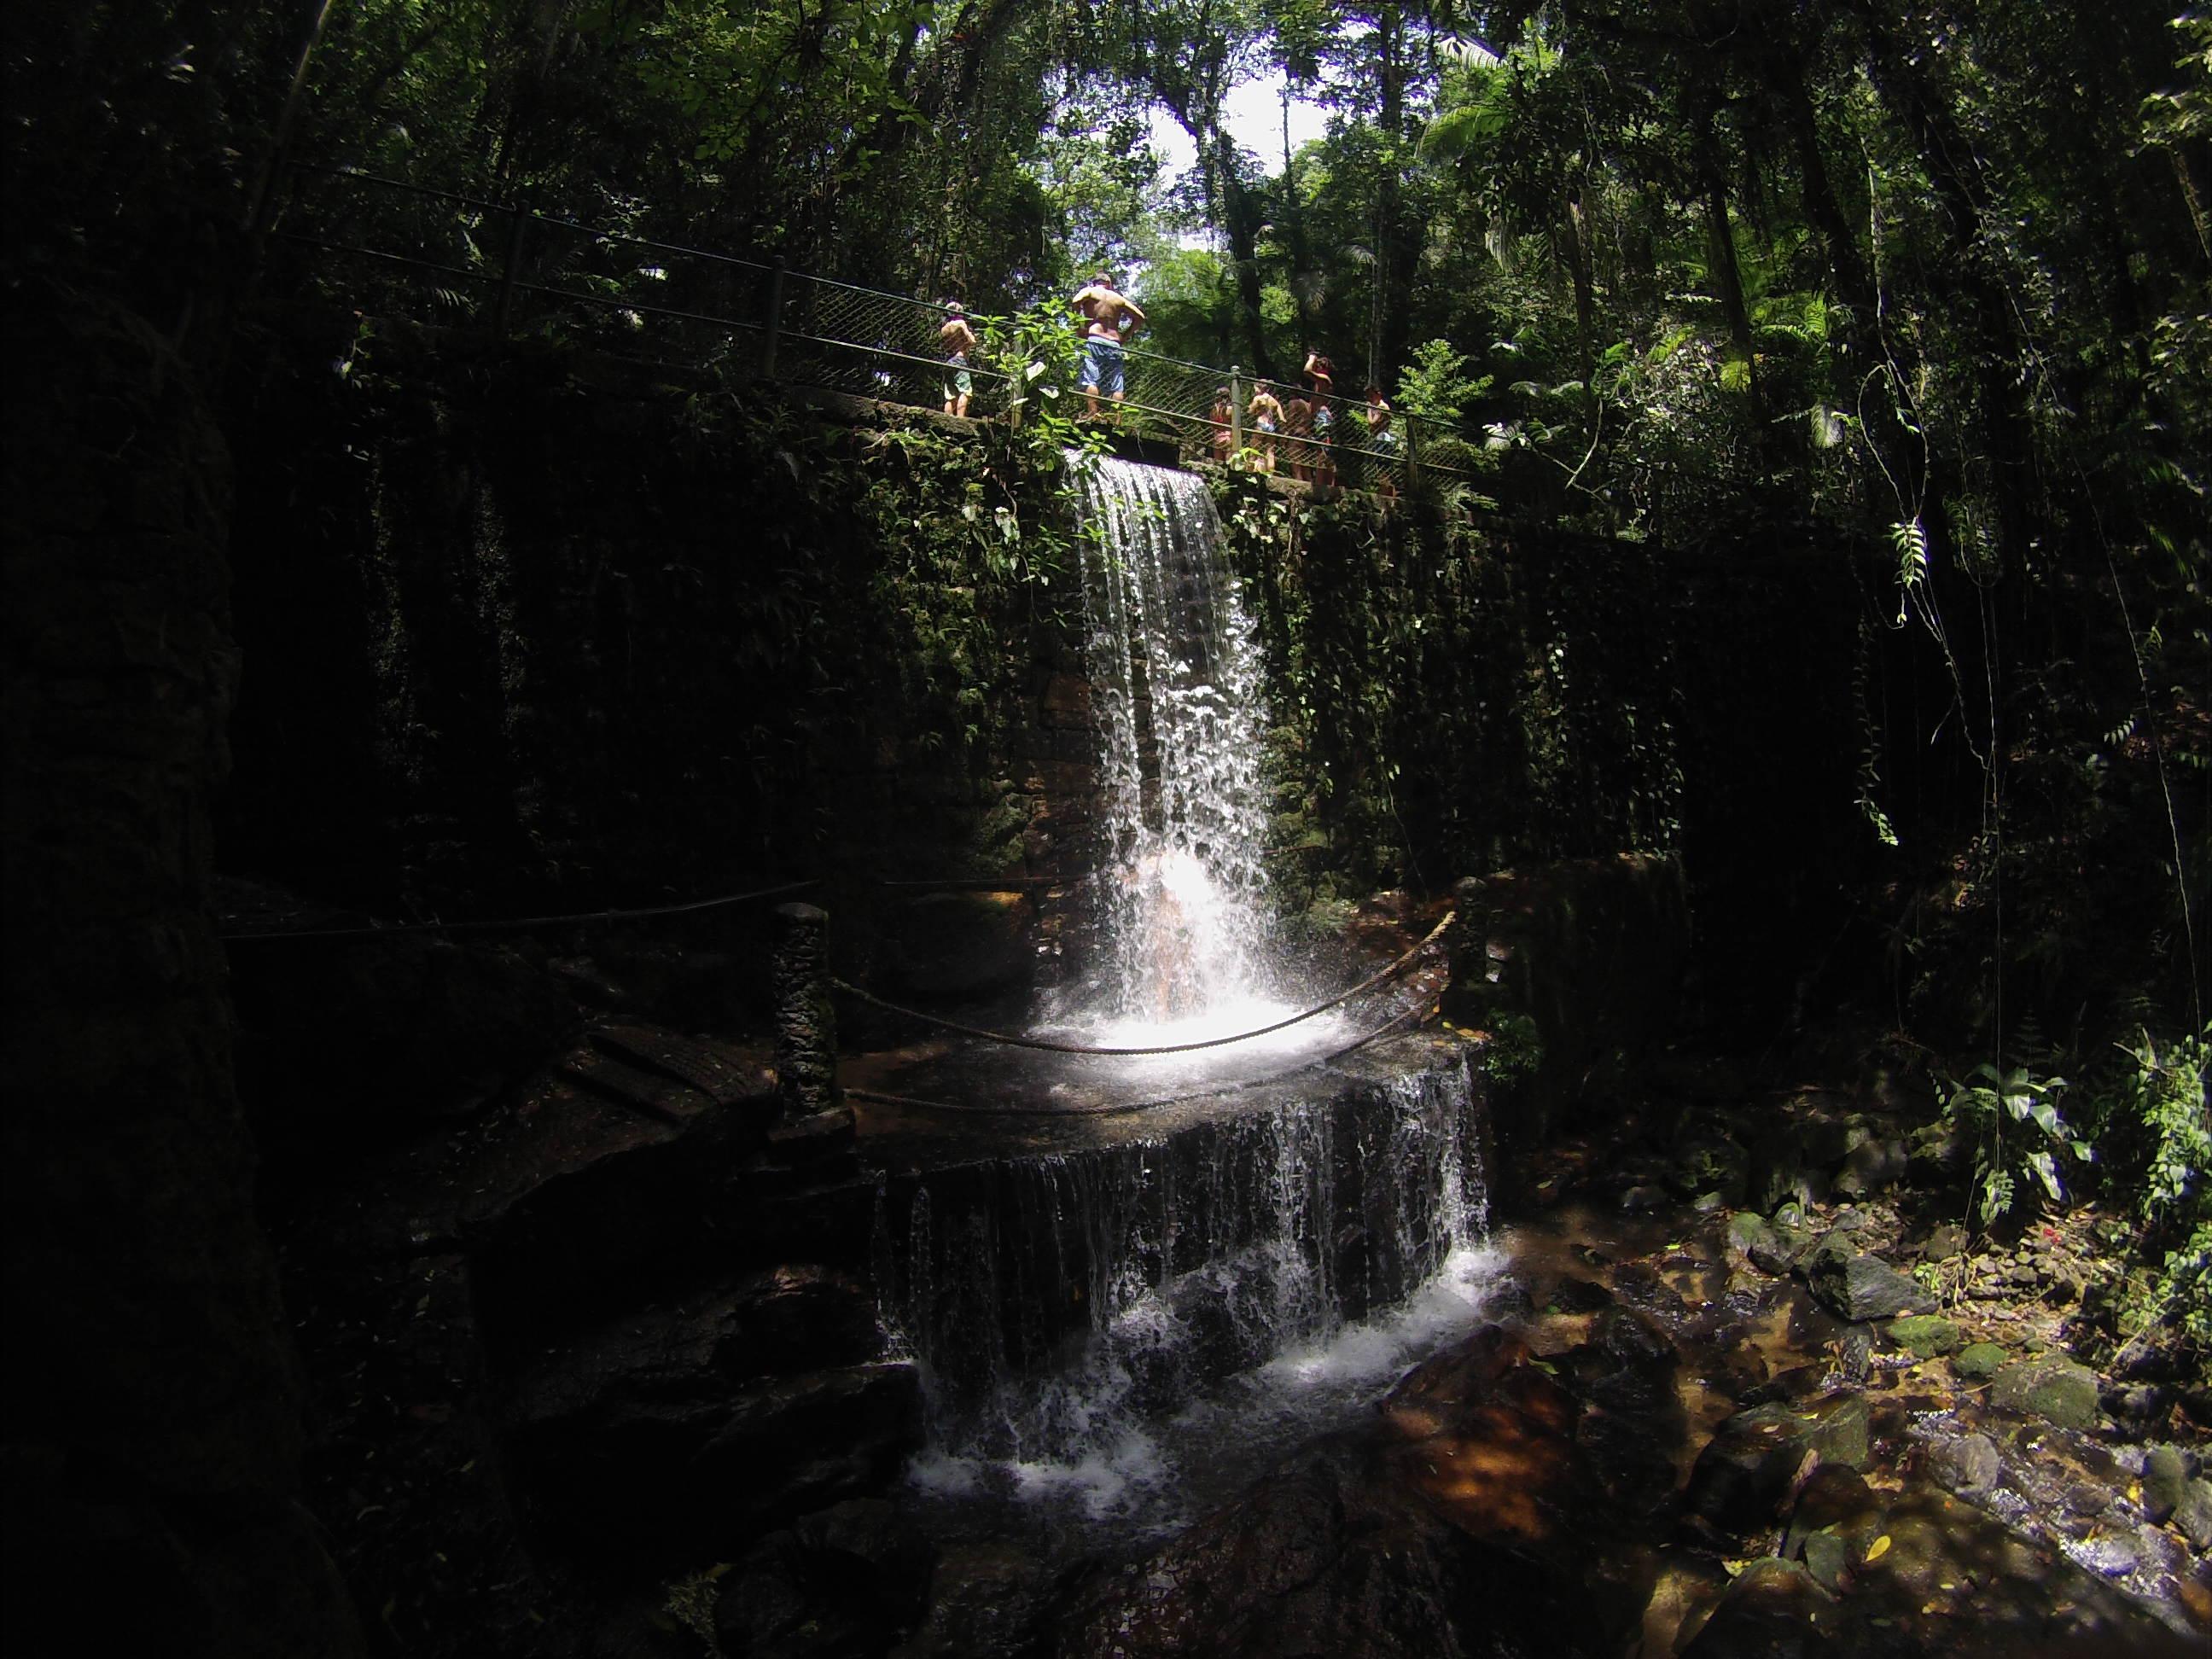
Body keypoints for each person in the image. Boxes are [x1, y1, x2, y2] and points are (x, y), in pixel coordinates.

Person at [1071, 272, 1146, 421]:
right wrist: (1125, 336)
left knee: (1091, 379)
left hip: (1095, 339)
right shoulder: (1118, 298)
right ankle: (1117, 420)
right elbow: (1140, 317)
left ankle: (1093, 414)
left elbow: (1076, 300)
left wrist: (1078, 326)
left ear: (1095, 283)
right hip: (1114, 343)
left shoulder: (1090, 291)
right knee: (1116, 384)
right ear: (1109, 284)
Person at [938, 301, 977, 418]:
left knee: (951, 396)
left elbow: (945, 345)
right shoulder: (960, 323)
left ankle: (947, 420)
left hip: (949, 361)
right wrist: (971, 339)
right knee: (966, 392)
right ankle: (960, 420)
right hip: (960, 359)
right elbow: (972, 341)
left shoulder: (944, 329)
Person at [1364, 384, 1397, 498]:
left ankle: (1385, 497)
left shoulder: (1382, 407)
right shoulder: (1377, 407)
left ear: (1378, 394)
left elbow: (1372, 422)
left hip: (1383, 439)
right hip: (1378, 438)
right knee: (1381, 468)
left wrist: (1369, 409)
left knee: (1383, 468)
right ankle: (1389, 497)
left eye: (1371, 395)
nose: (1370, 398)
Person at [1246, 383, 1284, 474]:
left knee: (1254, 448)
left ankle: (1251, 471)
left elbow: (1250, 411)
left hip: (1261, 424)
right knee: (1270, 451)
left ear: (1259, 388)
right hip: (1271, 425)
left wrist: (1250, 408)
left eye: (1255, 388)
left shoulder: (1258, 398)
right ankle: (1270, 472)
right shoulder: (1271, 398)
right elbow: (1278, 406)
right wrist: (1281, 417)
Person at [1284, 390, 1313, 482]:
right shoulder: (1308, 405)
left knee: (1295, 461)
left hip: (1295, 434)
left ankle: (1298, 485)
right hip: (1305, 435)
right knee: (1304, 463)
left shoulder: (1294, 402)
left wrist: (1287, 432)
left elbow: (1291, 418)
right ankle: (1309, 483)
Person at [1208, 387, 1234, 464]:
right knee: (1229, 463)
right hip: (1228, 438)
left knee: (1218, 463)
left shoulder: (1214, 410)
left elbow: (1212, 425)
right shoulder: (1231, 409)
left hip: (1217, 437)